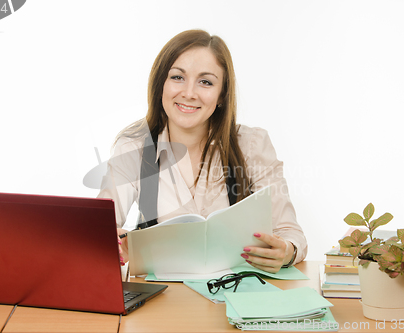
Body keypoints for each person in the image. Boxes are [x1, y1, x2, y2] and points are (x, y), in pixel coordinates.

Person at [98, 29, 307, 273]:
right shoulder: (134, 146)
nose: (188, 93)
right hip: (163, 299)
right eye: (177, 77)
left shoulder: (251, 145)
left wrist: (287, 252)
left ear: (221, 95)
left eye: (205, 82)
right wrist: (110, 239)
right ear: (160, 85)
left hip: (235, 291)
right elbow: (101, 228)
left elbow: (291, 234)